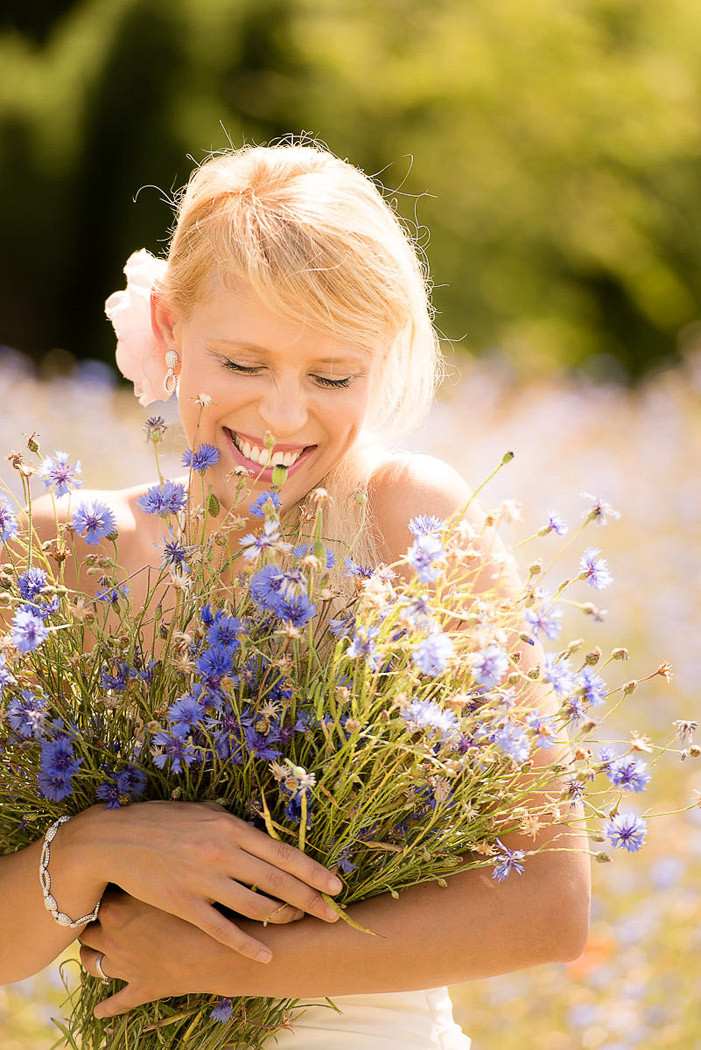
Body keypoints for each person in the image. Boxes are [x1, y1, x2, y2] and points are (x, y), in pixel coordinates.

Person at [0, 141, 590, 1048]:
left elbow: (550, 907)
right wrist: (90, 851)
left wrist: (222, 963)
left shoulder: (408, 523)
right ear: (166, 328)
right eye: (242, 363)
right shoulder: (59, 554)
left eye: (331, 376)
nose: (282, 416)